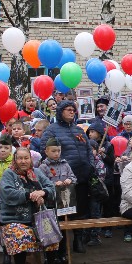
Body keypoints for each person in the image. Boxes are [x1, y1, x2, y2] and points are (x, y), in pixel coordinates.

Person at [0, 147, 60, 264]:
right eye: (20, 158)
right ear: (15, 159)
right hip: (14, 218)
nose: (23, 161)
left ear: (30, 159)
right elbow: (7, 193)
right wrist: (29, 195)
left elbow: (51, 188)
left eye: (26, 158)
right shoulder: (9, 174)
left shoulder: (37, 172)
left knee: (52, 233)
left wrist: (43, 193)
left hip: (37, 218)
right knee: (20, 234)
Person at [41, 100, 94, 254]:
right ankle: (63, 246)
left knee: (81, 210)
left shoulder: (79, 130)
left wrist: (90, 166)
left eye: (73, 109)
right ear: (60, 112)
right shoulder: (51, 130)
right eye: (68, 109)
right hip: (62, 179)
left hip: (81, 177)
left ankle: (78, 239)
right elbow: (45, 150)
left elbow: (89, 150)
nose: (72, 112)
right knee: (63, 210)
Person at [38, 137, 76, 264]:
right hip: (50, 203)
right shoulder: (43, 167)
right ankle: (52, 256)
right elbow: (41, 184)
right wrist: (54, 184)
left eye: (58, 151)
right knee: (52, 230)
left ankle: (63, 253)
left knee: (64, 229)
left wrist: (70, 180)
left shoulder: (65, 164)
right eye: (53, 151)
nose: (56, 153)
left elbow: (73, 177)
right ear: (46, 151)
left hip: (64, 203)